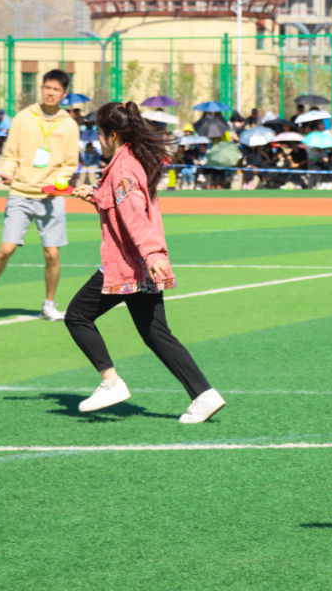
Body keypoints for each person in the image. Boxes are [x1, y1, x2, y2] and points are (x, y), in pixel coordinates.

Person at [66, 100, 225, 423]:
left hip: (129, 264)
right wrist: (95, 194)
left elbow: (134, 215)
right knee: (156, 334)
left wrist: (152, 254)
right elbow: (122, 203)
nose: (98, 140)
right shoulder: (131, 161)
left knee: (77, 316)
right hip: (142, 266)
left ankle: (111, 383)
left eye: (99, 134)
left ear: (112, 135)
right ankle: (204, 395)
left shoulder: (123, 168)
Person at [0, 70, 80, 322]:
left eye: (56, 89)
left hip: (51, 198)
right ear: (42, 88)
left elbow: (70, 163)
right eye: (47, 87)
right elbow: (10, 153)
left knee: (52, 254)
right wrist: (7, 171)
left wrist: (57, 183)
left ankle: (49, 304)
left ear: (64, 94)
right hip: (20, 193)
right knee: (6, 249)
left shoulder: (69, 125)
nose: (50, 93)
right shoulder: (23, 117)